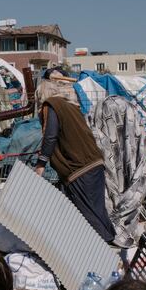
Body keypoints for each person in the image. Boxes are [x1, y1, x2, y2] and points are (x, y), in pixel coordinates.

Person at [34, 96, 115, 243]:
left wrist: (41, 164)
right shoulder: (70, 108)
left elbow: (50, 137)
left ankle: (102, 250)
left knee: (88, 214)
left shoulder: (51, 106)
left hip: (80, 169)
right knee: (97, 210)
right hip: (94, 163)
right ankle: (109, 241)